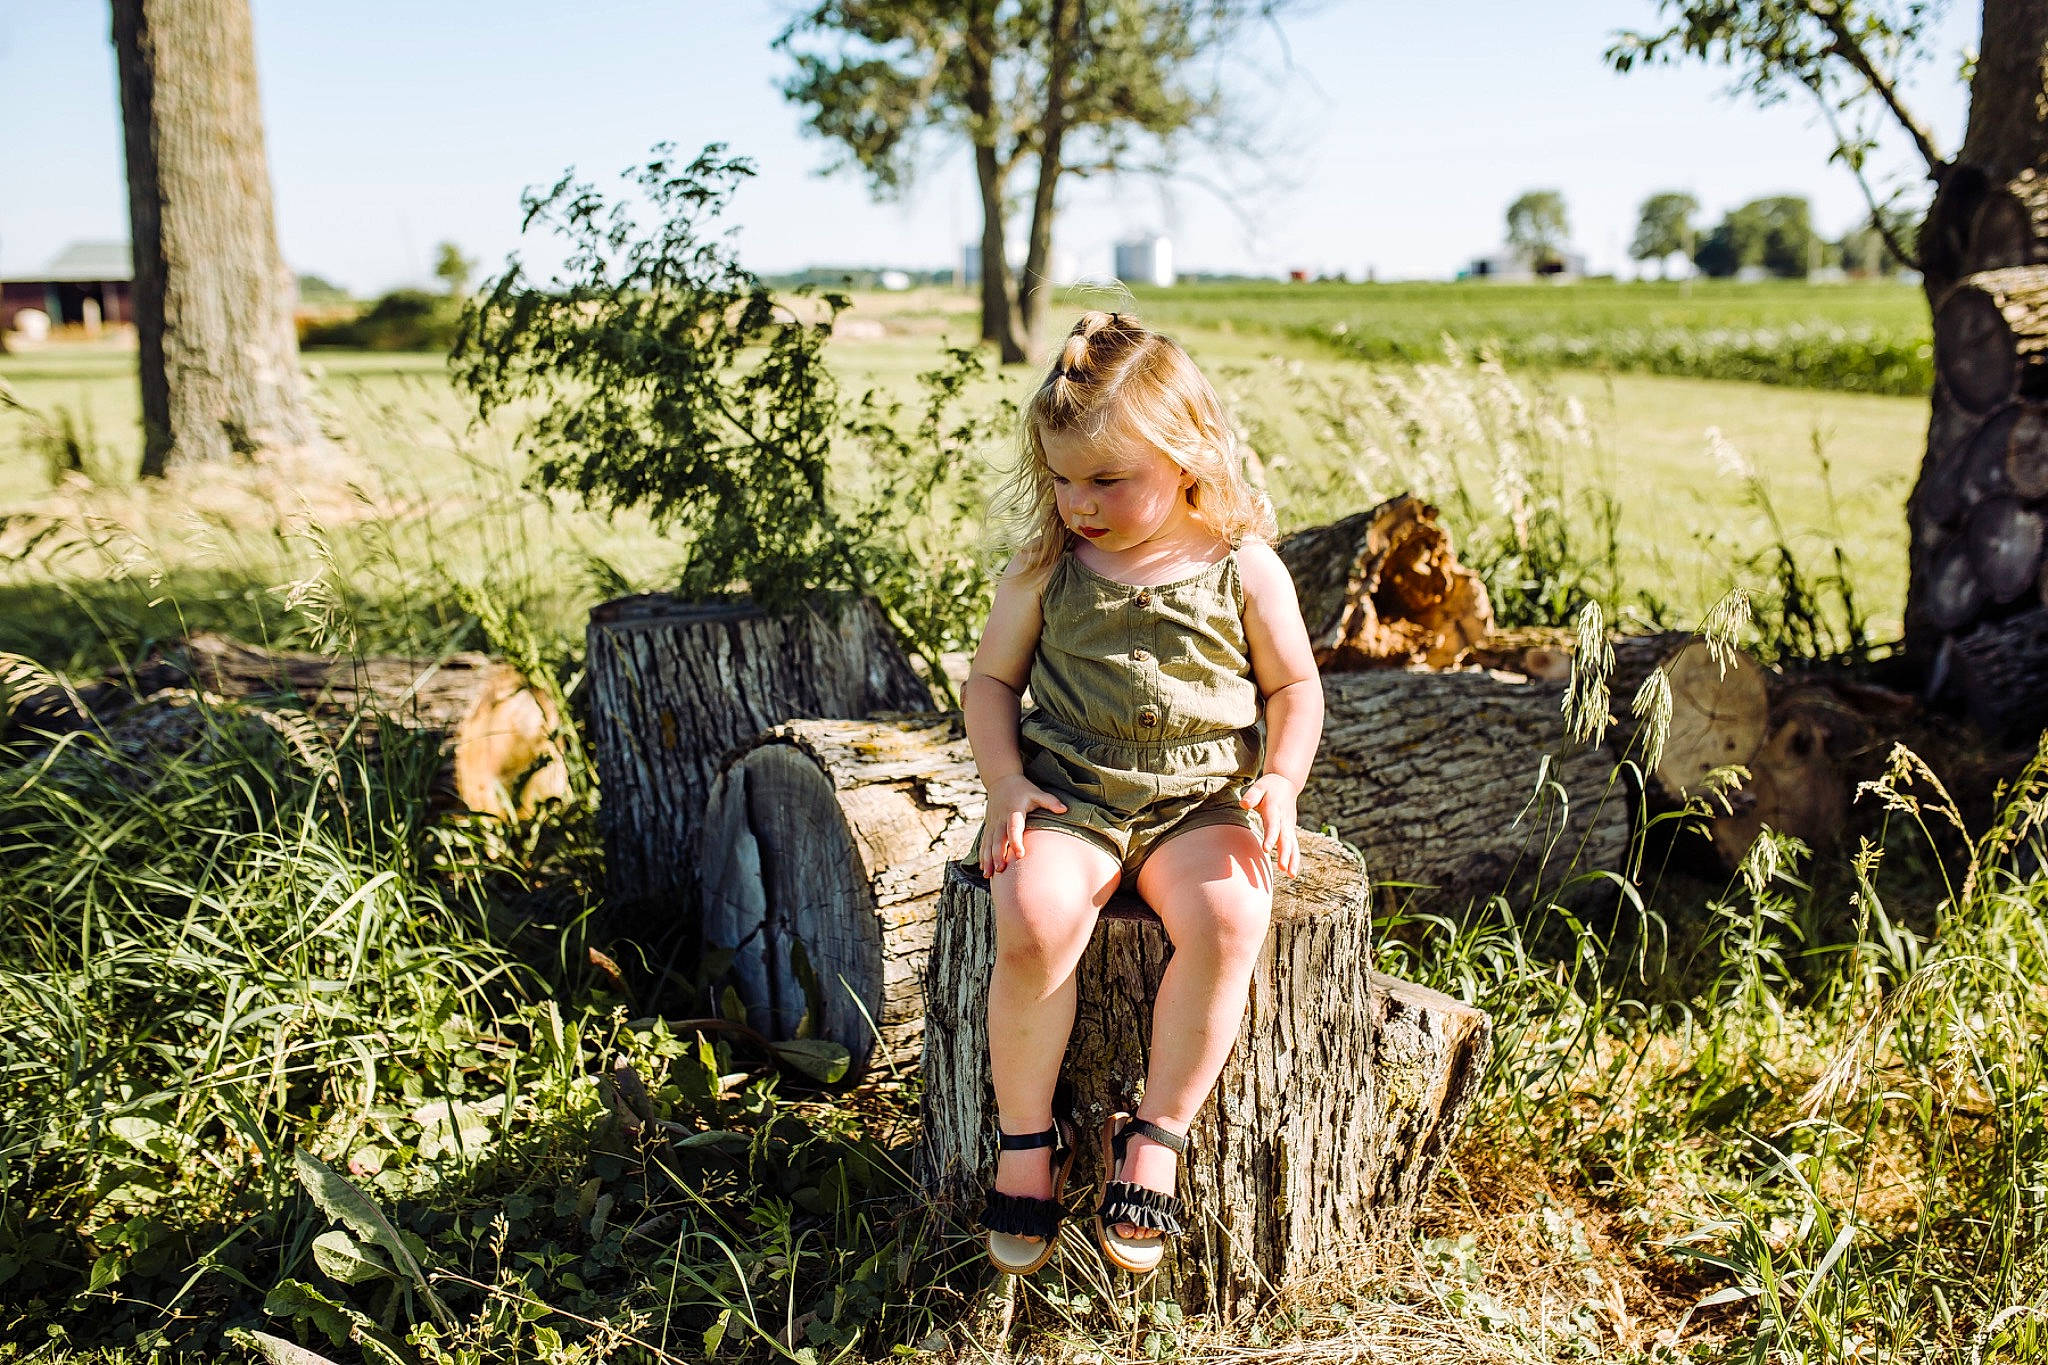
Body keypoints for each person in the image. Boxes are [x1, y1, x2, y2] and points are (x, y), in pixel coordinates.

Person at [962, 310, 1324, 1277]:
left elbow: (1293, 685)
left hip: (1199, 798)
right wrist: (1005, 781)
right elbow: (991, 682)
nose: (1080, 502)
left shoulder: (1242, 565)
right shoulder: (1048, 569)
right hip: (1070, 789)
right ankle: (1027, 1136)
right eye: (1063, 478)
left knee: (1232, 917)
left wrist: (1280, 780)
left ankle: (1157, 1129)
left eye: (1107, 480)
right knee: (1032, 918)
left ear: (1187, 453)